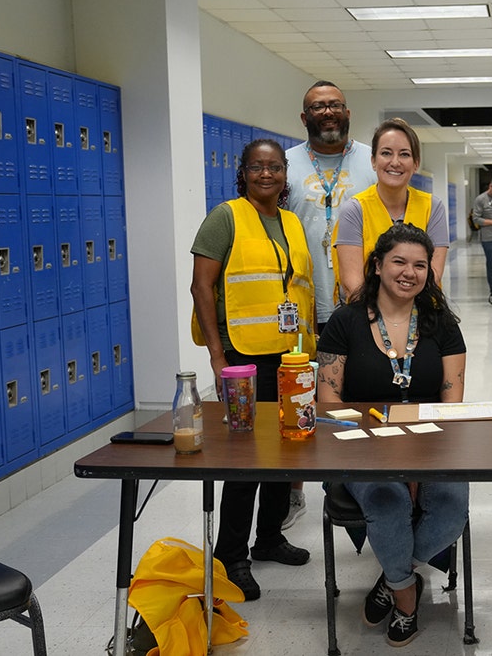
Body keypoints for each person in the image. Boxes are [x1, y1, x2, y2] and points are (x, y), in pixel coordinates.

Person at [317, 223, 467, 648]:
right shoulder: (344, 323)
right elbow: (327, 404)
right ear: (378, 265)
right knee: (388, 499)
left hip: (431, 443)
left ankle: (393, 575)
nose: (409, 272)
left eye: (420, 265)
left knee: (452, 506)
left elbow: (451, 404)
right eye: (399, 261)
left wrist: (418, 460)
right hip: (362, 444)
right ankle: (405, 597)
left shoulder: (441, 324)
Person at [190, 138, 318, 601]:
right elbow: (201, 287)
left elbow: (298, 288)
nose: (267, 174)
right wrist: (217, 357)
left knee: (287, 449)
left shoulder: (290, 222)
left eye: (276, 167)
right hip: (242, 356)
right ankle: (232, 555)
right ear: (242, 172)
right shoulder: (225, 217)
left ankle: (269, 539)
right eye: (257, 167)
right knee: (246, 458)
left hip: (291, 355)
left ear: (286, 174)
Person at [282, 80, 377, 530]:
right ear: (305, 118)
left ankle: (362, 482)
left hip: (360, 301)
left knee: (356, 393)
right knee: (298, 395)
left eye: (335, 104)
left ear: (348, 112)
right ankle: (294, 489)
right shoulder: (286, 162)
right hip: (303, 302)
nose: (328, 112)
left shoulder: (371, 161)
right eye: (318, 106)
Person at [333, 118, 449, 303]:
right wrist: (383, 321)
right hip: (367, 317)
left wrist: (405, 319)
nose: (395, 162)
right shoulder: (355, 210)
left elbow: (432, 276)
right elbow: (352, 283)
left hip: (422, 317)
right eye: (386, 153)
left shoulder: (432, 208)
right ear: (373, 161)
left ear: (416, 163)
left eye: (404, 154)